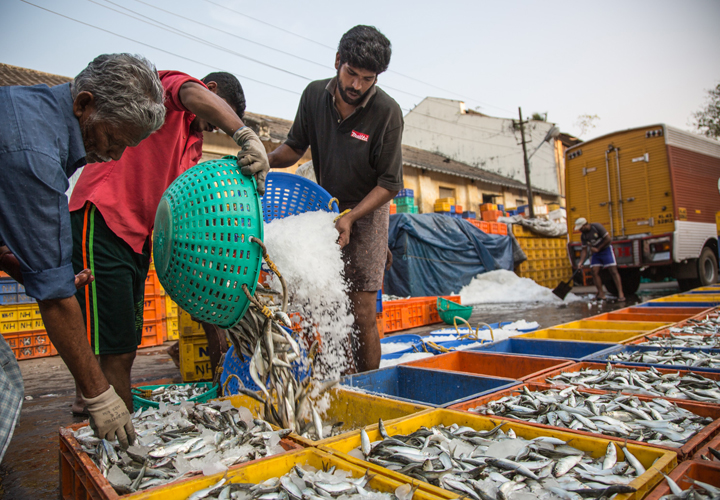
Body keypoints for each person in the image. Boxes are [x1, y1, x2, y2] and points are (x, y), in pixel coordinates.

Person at [68, 70, 270, 414]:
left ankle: (96, 408)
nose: (218, 129)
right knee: (115, 349)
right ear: (212, 91)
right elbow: (190, 92)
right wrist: (244, 134)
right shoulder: (167, 97)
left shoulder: (191, 150)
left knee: (124, 346)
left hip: (136, 238)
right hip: (102, 216)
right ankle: (112, 432)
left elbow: (186, 222)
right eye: (221, 117)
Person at [0, 53, 167, 458]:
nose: (112, 156)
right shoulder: (36, 155)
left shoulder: (30, 109)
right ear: (84, 104)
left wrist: (33, 272)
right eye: (111, 139)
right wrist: (98, 395)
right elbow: (55, 300)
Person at [268, 25, 404, 372]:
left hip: (368, 210)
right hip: (323, 209)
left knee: (361, 312)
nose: (356, 85)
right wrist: (262, 160)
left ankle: (370, 385)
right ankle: (338, 380)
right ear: (337, 61)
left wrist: (351, 218)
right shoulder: (314, 95)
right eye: (351, 73)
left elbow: (390, 184)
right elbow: (294, 149)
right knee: (327, 304)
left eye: (367, 78)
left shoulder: (387, 112)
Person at [575, 217, 625, 302]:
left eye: (581, 228)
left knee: (613, 271)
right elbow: (584, 249)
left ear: (585, 225)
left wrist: (598, 248)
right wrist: (580, 262)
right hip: (595, 253)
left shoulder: (597, 227)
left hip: (605, 250)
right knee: (594, 271)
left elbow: (608, 239)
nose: (580, 230)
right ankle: (601, 294)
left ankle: (621, 293)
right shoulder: (583, 235)